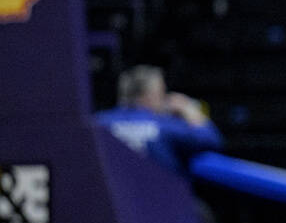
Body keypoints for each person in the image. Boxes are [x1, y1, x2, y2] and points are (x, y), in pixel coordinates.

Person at [96, 65, 224, 177]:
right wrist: (189, 110)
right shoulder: (165, 126)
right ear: (149, 95)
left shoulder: (97, 124)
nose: (165, 99)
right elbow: (211, 140)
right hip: (161, 200)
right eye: (162, 93)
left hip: (109, 201)